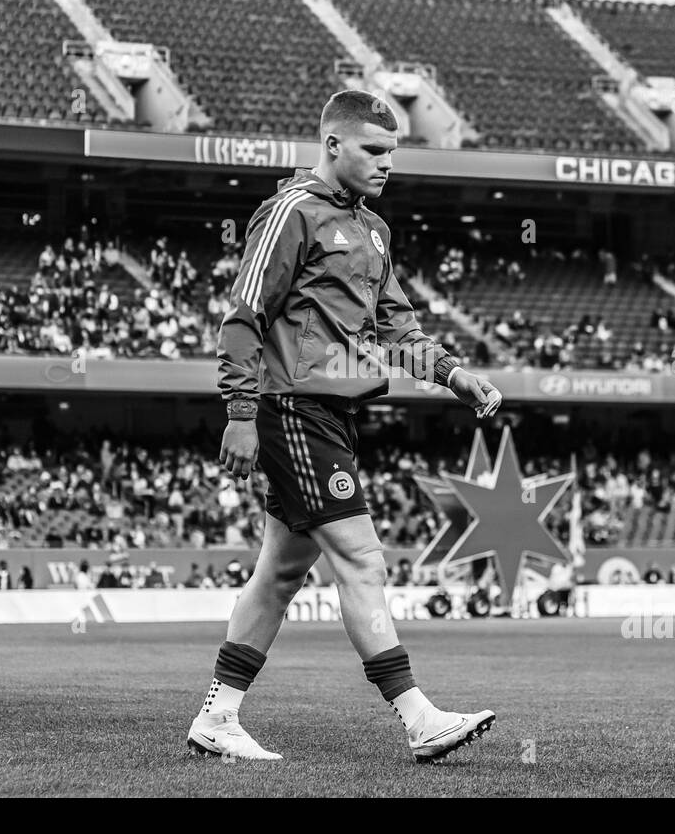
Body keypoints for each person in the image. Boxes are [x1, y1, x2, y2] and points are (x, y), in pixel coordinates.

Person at [189, 90, 503, 764]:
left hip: (332, 411)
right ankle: (419, 718)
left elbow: (395, 327)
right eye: (374, 150)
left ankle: (218, 717)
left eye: (393, 152)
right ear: (333, 145)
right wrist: (242, 413)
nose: (388, 164)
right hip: (292, 408)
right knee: (362, 558)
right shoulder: (291, 213)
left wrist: (454, 375)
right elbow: (245, 314)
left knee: (281, 570)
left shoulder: (375, 231)